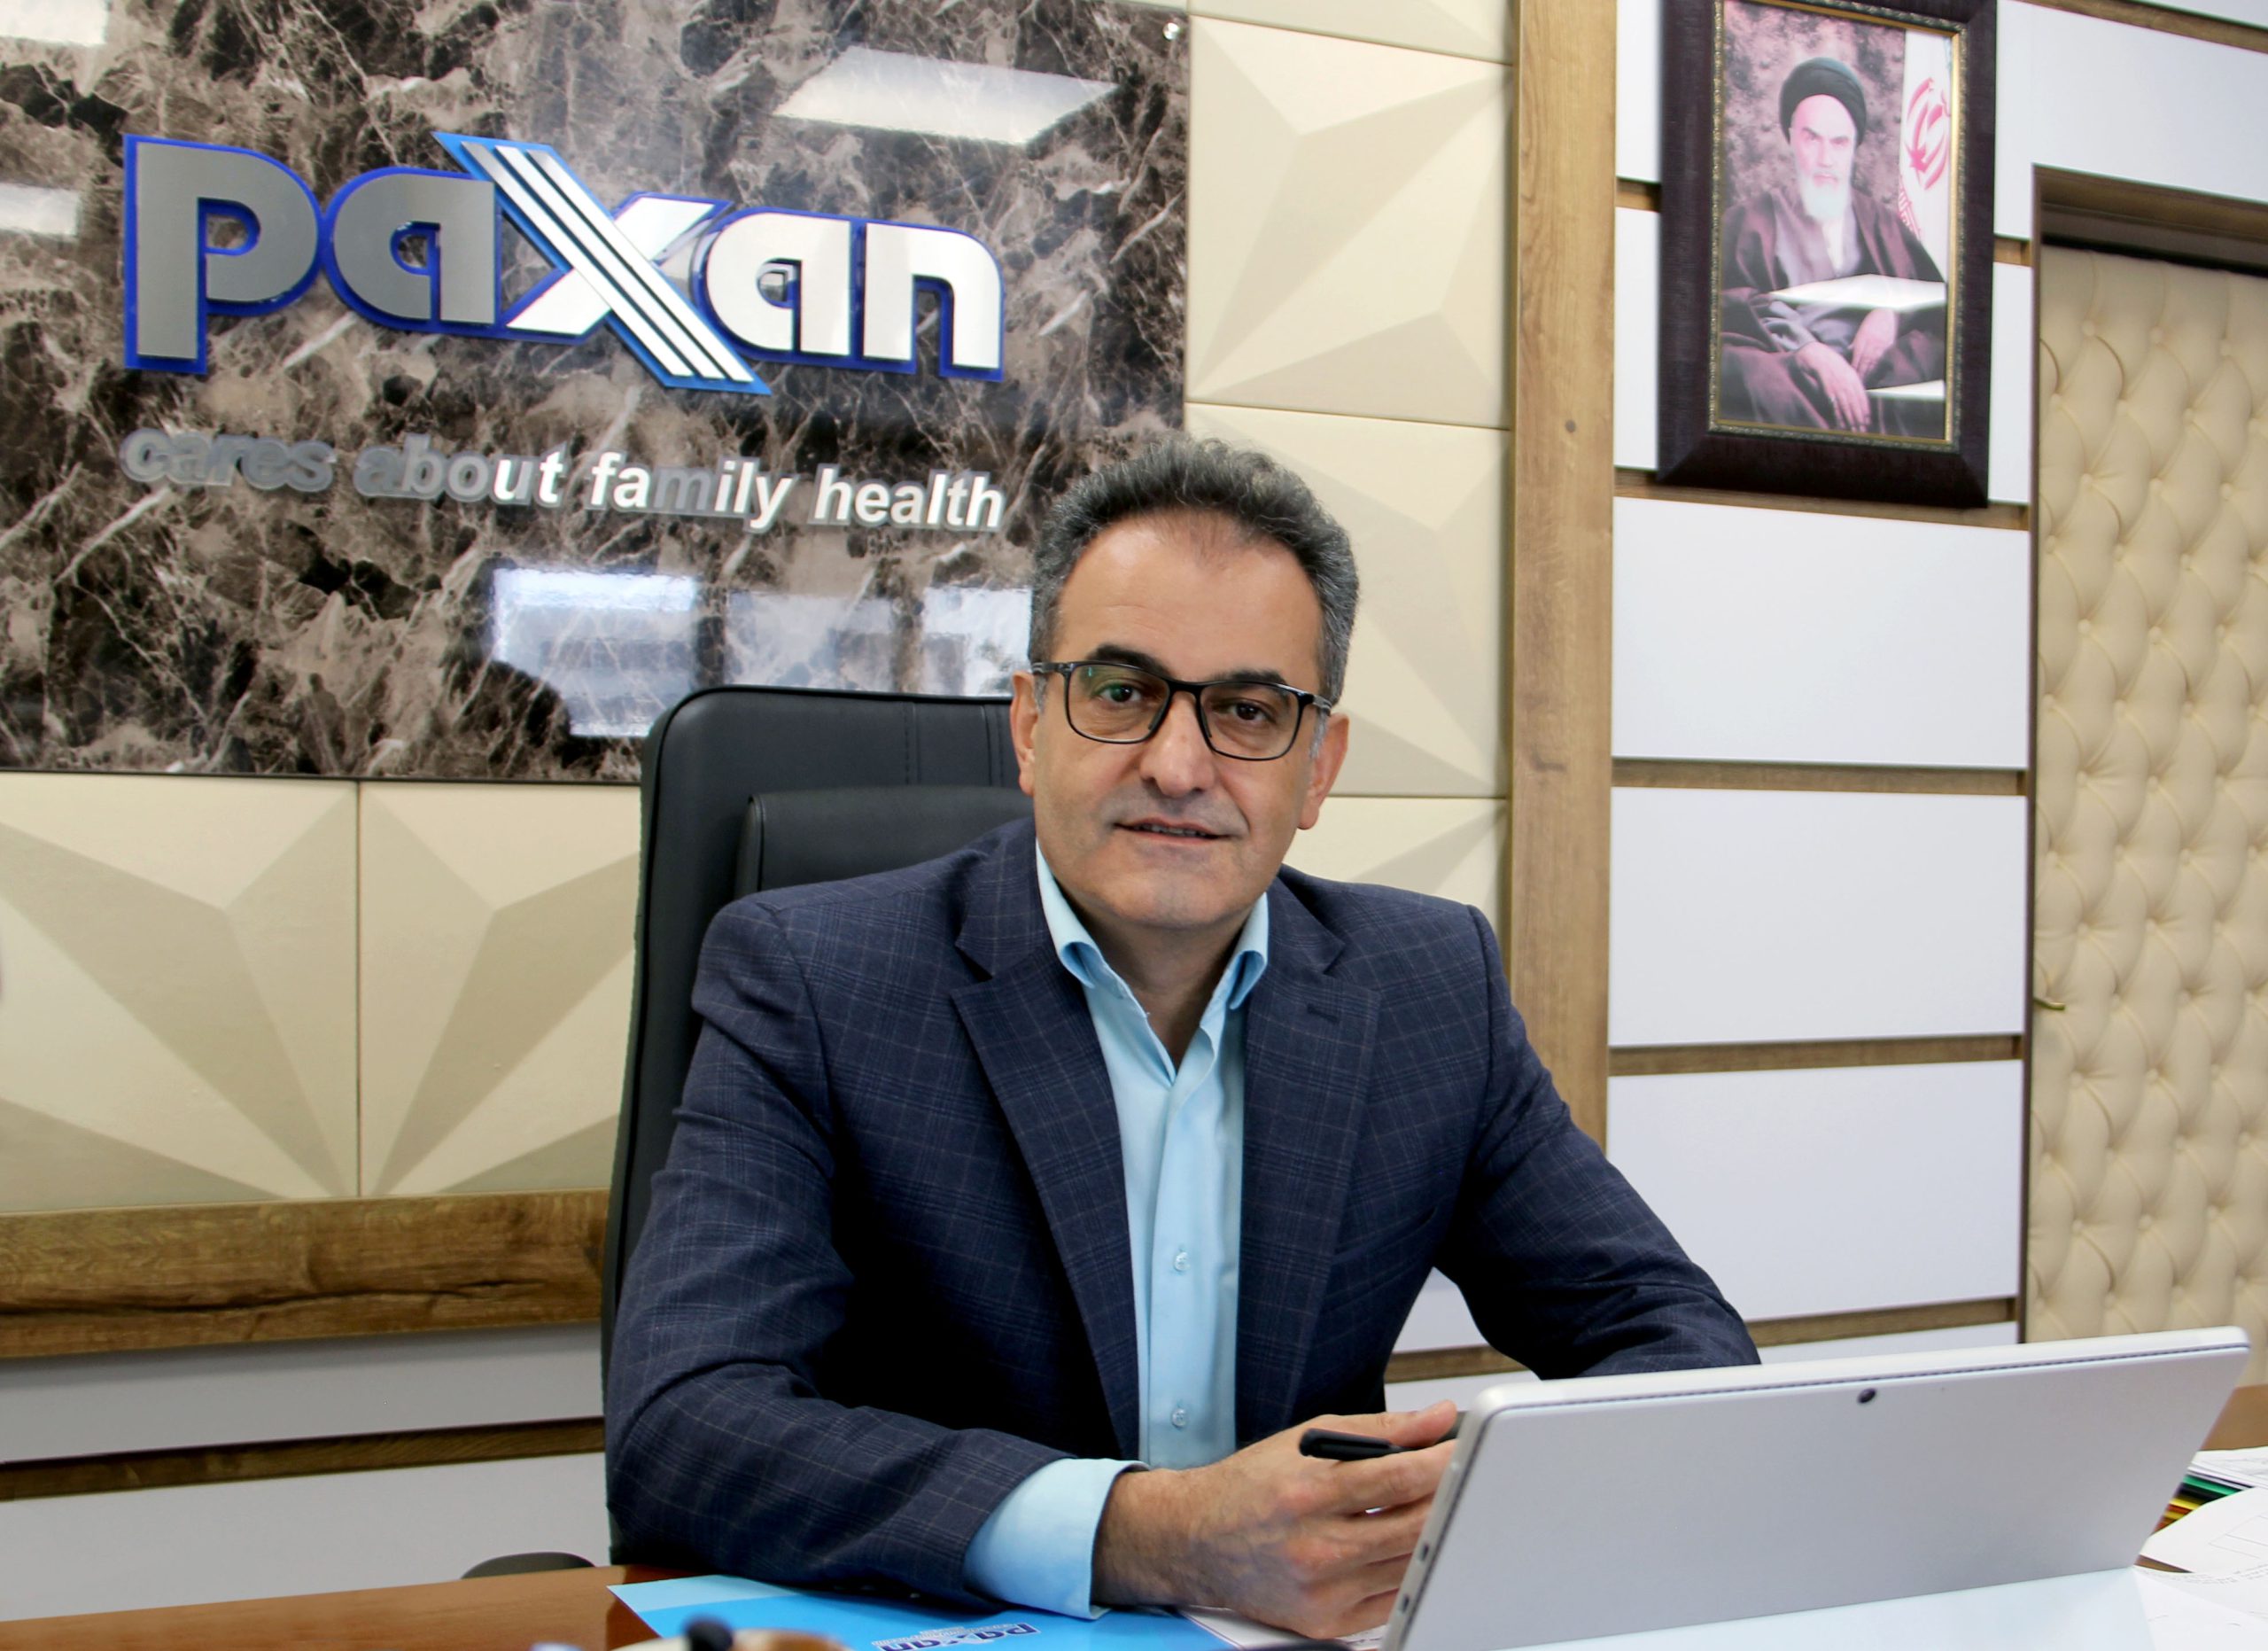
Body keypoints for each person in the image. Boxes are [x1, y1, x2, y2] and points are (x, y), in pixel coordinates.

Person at [606, 440, 1757, 1639]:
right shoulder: (813, 977)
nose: (1177, 765)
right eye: (1120, 692)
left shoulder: (1427, 989)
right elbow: (683, 1430)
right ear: (1029, 725)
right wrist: (1156, 1532)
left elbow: (1675, 1345)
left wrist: (1452, 1504)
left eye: (1249, 712)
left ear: (1318, 768)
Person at [1717, 54, 1947, 437]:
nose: (1826, 159)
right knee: (1745, 373)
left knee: (1926, 359)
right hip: (1790, 369)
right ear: (1791, 137)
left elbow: (1937, 304)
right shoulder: (1746, 222)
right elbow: (1728, 305)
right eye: (1812, 139)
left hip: (1873, 371)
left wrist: (1892, 315)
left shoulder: (1883, 223)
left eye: (1839, 143)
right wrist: (1810, 353)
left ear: (1854, 146)